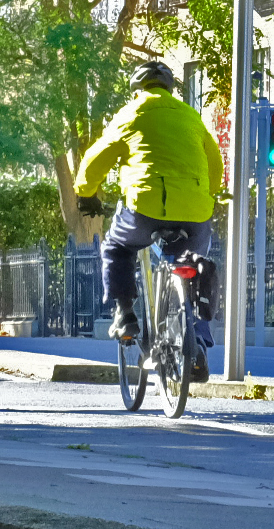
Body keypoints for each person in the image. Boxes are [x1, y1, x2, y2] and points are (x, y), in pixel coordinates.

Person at [74, 59, 226, 378]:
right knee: (195, 261)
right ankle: (196, 339)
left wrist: (85, 193)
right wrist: (212, 192)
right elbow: (214, 160)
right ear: (169, 89)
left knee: (117, 247)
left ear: (136, 90)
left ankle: (125, 313)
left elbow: (98, 156)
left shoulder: (133, 113)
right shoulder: (190, 116)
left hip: (145, 207)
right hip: (196, 210)